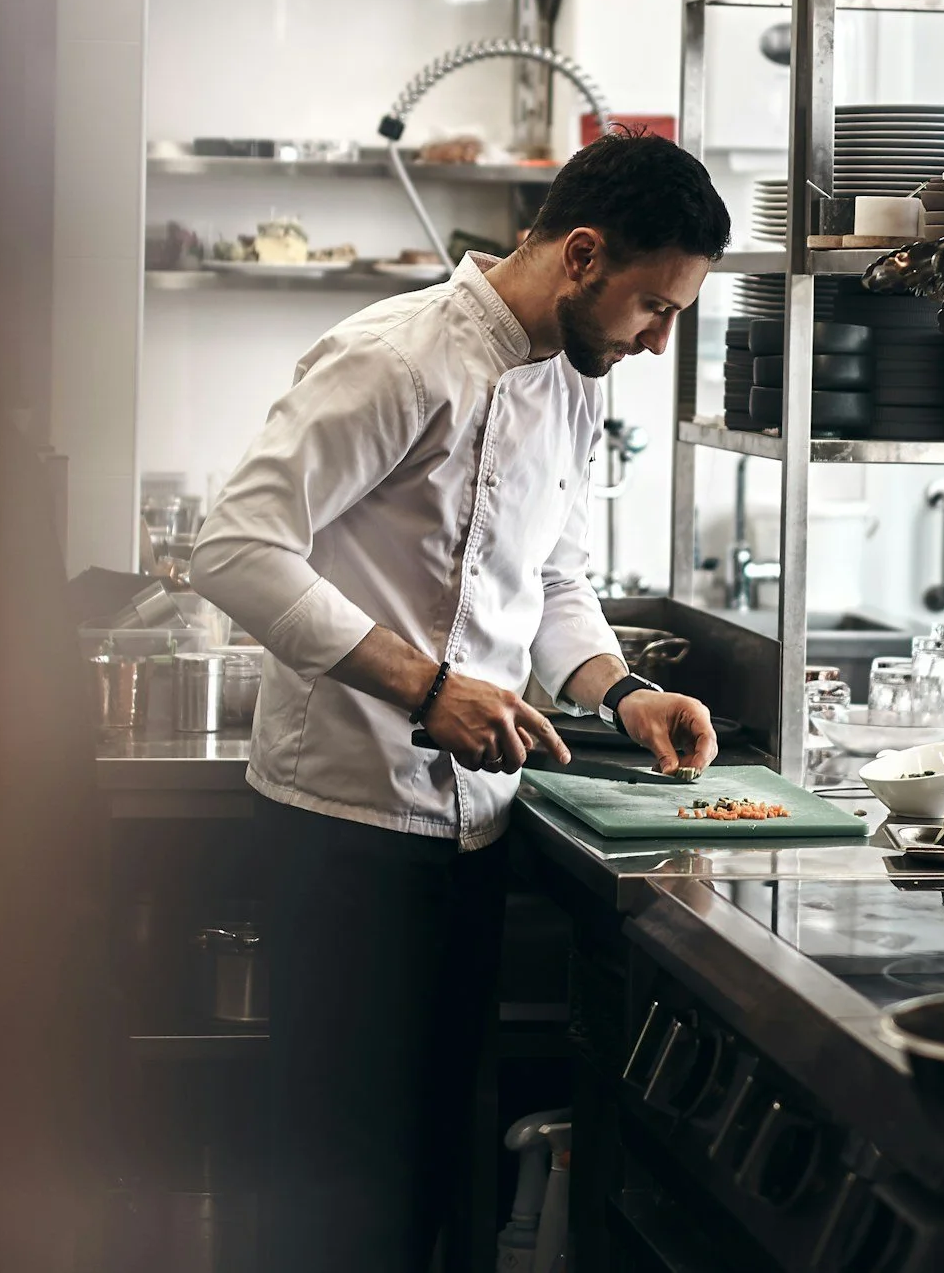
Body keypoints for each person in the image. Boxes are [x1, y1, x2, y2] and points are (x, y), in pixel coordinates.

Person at [189, 131, 733, 1271]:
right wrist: (422, 686)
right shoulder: (394, 357)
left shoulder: (573, 381)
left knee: (429, 1176)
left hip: (473, 832)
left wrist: (621, 689)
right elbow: (234, 545)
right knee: (334, 1184)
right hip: (340, 824)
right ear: (581, 255)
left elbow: (550, 577)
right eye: (653, 305)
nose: (658, 339)